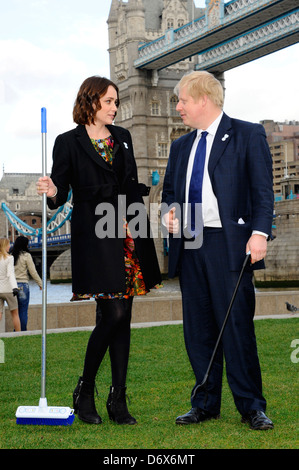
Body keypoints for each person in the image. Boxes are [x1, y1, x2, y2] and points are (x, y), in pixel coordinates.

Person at [36, 76, 162, 425]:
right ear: (90, 101)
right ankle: (85, 388)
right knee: (114, 315)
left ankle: (118, 400)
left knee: (124, 320)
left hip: (128, 235)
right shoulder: (68, 142)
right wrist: (50, 190)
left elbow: (129, 184)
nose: (114, 108)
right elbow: (60, 196)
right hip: (94, 237)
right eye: (108, 101)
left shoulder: (123, 137)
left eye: (116, 102)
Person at [162, 71, 274, 430]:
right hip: (191, 245)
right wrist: (170, 215)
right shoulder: (180, 147)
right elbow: (168, 196)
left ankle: (252, 406)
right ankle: (205, 403)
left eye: (182, 100)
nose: (178, 107)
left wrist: (260, 233)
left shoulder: (247, 134)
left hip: (231, 245)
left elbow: (262, 190)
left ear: (203, 100)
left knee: (236, 326)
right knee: (198, 330)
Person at [10, 235, 42, 331]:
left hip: (12, 286)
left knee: (15, 312)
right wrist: (40, 284)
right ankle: (22, 332)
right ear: (25, 245)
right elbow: (33, 272)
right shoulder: (26, 256)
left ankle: (16, 331)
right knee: (23, 311)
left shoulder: (11, 256)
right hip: (23, 286)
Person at [0, 238, 21, 332]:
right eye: (8, 245)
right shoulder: (9, 258)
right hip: (9, 290)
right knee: (15, 314)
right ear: (4, 246)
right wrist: (15, 287)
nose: (10, 246)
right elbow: (10, 274)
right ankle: (19, 335)